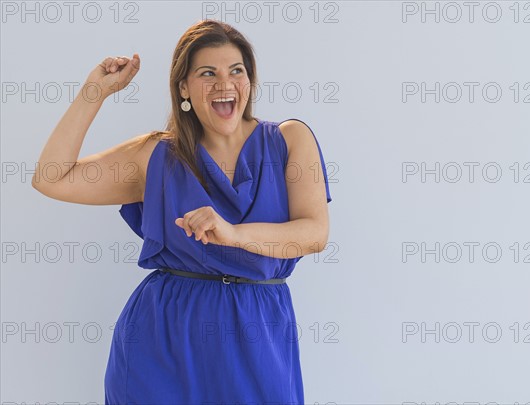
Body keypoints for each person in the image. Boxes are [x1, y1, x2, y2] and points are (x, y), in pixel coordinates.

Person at [31, 19, 332, 404]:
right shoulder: (156, 156)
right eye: (208, 73)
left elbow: (314, 234)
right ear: (184, 87)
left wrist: (234, 233)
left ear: (249, 81)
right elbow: (51, 178)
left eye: (236, 70)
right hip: (163, 342)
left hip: (259, 337)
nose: (225, 83)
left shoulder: (289, 140)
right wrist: (96, 91)